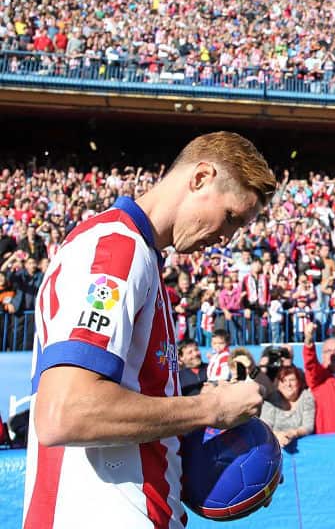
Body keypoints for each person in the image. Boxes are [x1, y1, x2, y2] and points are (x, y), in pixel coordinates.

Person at [26, 131, 274, 529]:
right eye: (230, 217)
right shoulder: (116, 250)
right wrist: (211, 409)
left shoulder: (140, 257)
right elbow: (63, 413)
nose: (228, 238)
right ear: (200, 178)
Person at [259, 366, 316, 447]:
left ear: (299, 382)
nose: (288, 384)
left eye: (292, 380)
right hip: (273, 447)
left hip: (303, 449)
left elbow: (308, 426)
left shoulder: (306, 397)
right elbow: (265, 427)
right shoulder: (271, 400)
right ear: (278, 384)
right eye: (283, 380)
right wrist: (278, 435)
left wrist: (293, 433)